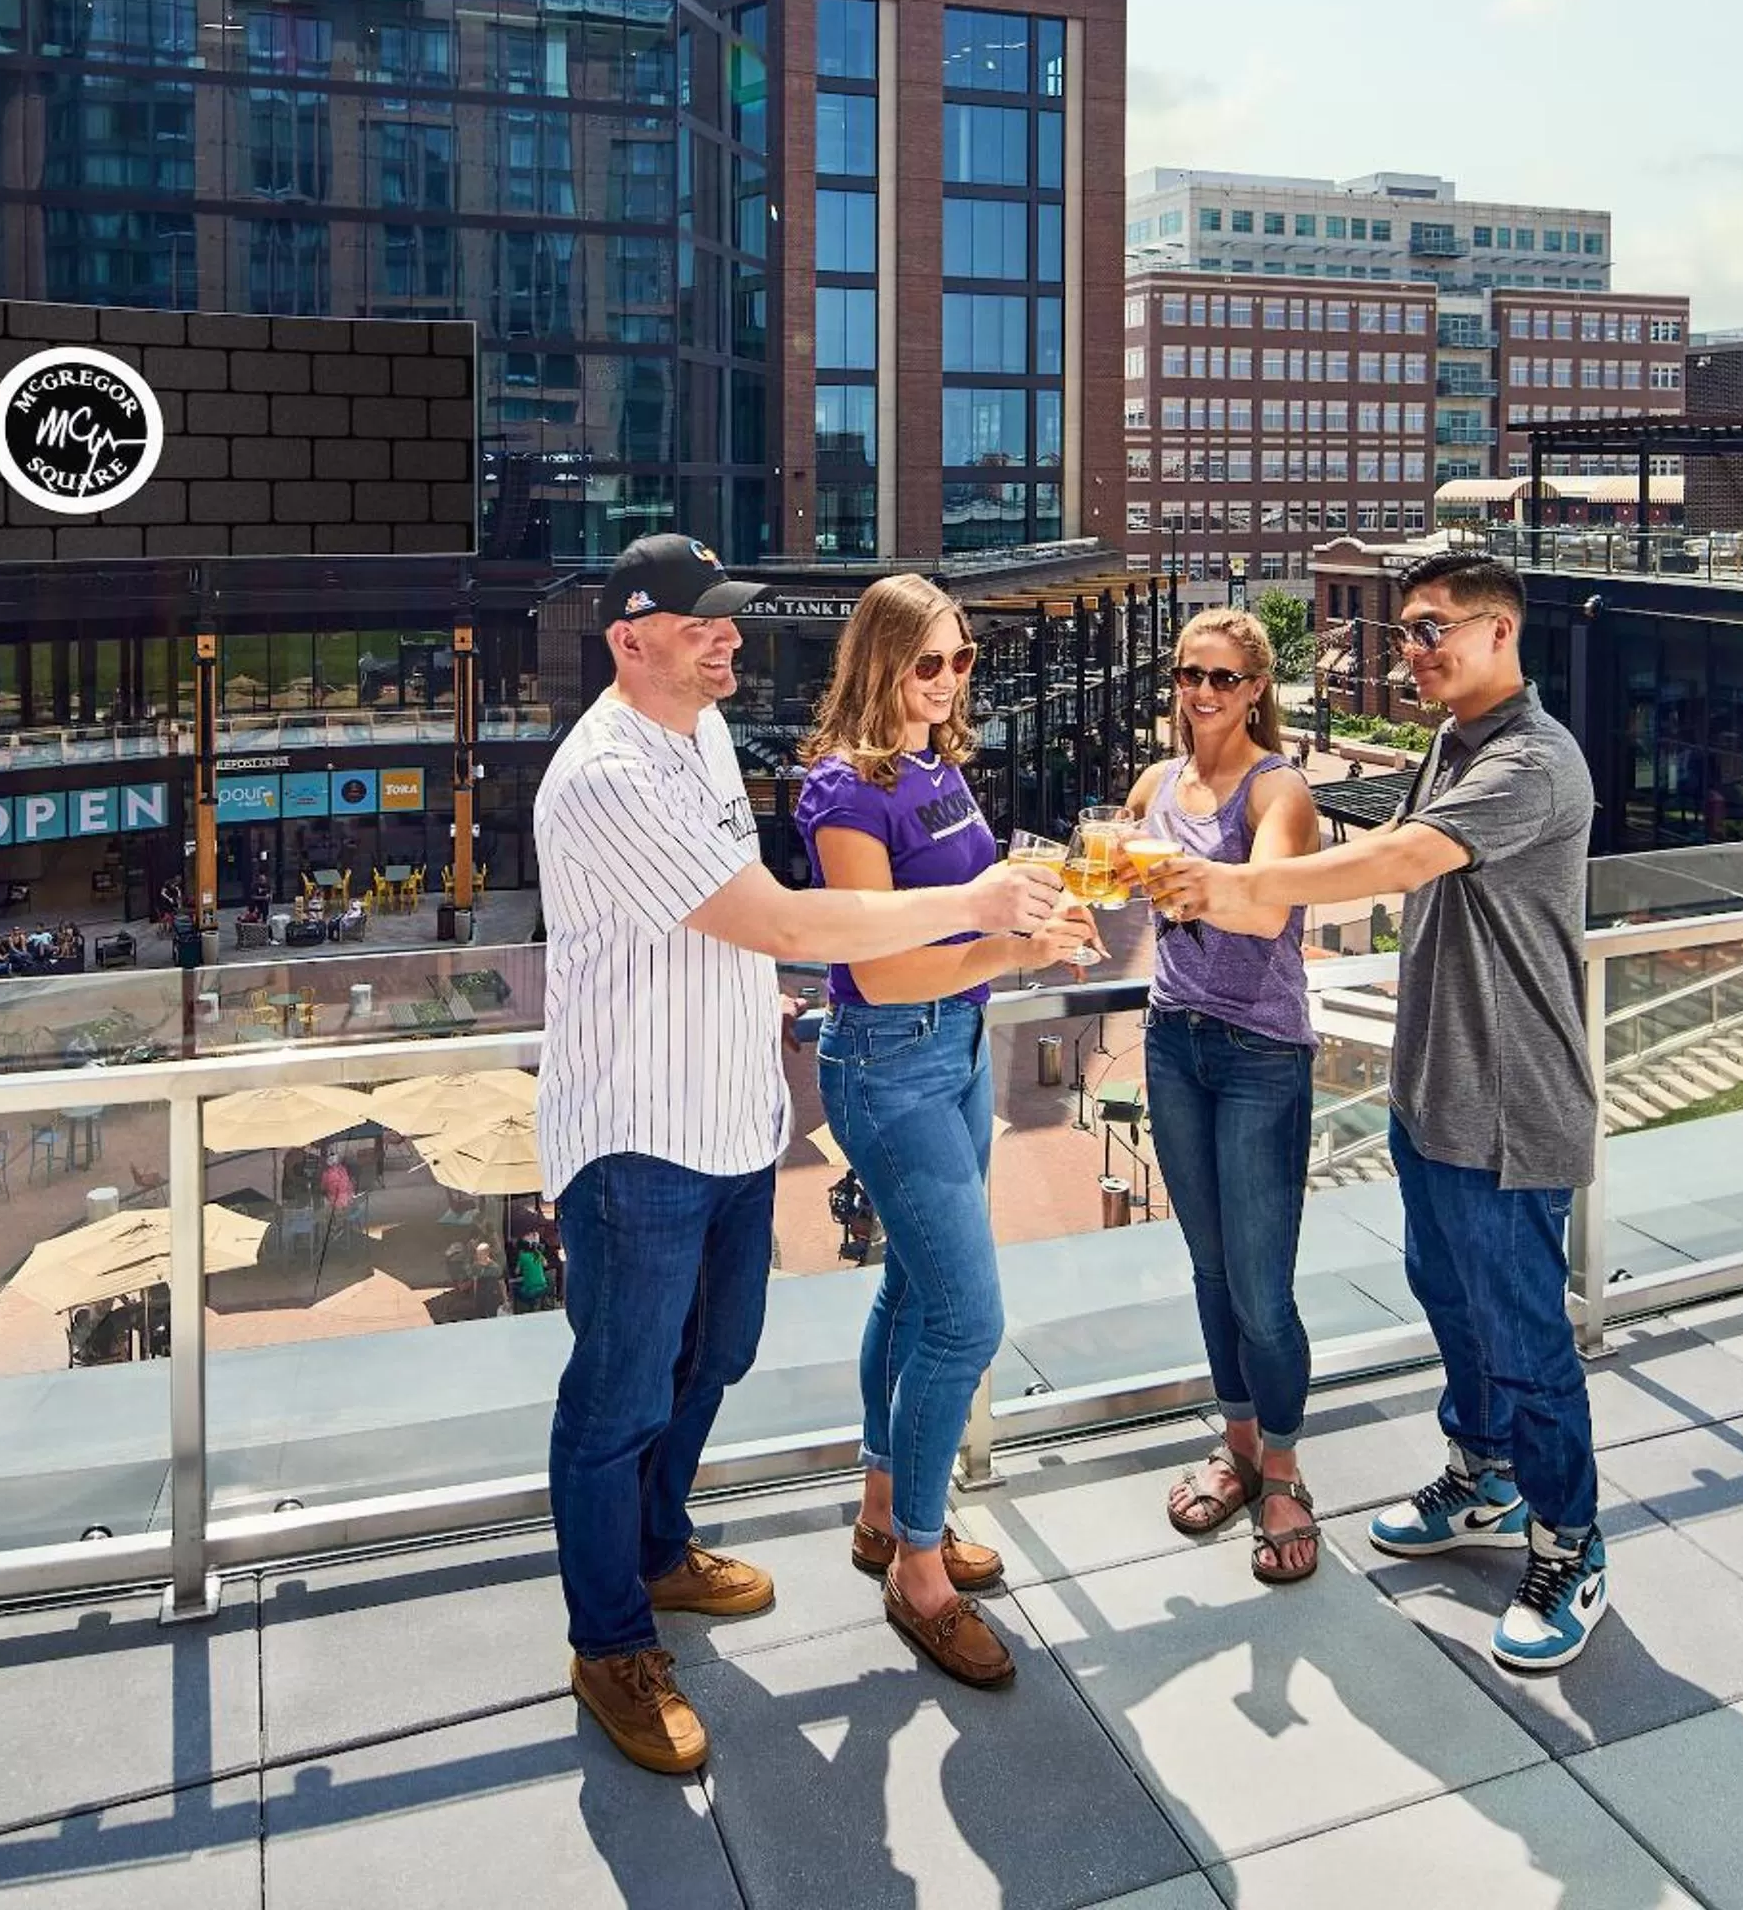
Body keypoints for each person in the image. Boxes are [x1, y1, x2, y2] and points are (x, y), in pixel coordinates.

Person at [536, 531, 1064, 1776]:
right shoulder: (609, 771)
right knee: (614, 1397)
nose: (730, 637)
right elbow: (773, 916)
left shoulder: (703, 735)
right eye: (703, 623)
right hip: (636, 1136)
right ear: (630, 639)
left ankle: (660, 1553)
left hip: (728, 1118)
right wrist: (973, 908)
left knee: (716, 1352)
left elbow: (725, 915)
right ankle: (609, 1640)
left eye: (729, 619)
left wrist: (753, 1000)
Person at [1143, 551, 1607, 1672]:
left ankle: (1571, 1541)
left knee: (1525, 1330)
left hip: (1510, 1099)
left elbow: (1401, 859)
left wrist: (1233, 886)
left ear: (1503, 633)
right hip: (1437, 1087)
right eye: (1405, 631)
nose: (1414, 650)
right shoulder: (1453, 744)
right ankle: (1484, 1476)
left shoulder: (1535, 762)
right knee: (1449, 1298)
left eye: (1435, 627)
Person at [798, 573, 1095, 1689]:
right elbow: (874, 968)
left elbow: (969, 903)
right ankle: (918, 1573)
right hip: (890, 1060)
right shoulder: (842, 791)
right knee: (968, 1320)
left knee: (916, 1295)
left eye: (963, 660)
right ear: (879, 663)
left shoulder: (937, 765)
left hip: (960, 1051)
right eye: (929, 663)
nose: (949, 680)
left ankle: (884, 1508)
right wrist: (1010, 948)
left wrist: (1031, 900)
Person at [1116, 607, 1325, 1586]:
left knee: (1261, 1286)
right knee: (1208, 1270)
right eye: (1188, 674)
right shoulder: (1158, 784)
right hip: (1174, 1042)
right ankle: (1238, 1444)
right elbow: (1123, 886)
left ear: (1254, 690)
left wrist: (1190, 879)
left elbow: (1271, 902)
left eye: (1222, 678)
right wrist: (1106, 879)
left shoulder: (1277, 789)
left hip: (1259, 1055)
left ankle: (1283, 1468)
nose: (1201, 692)